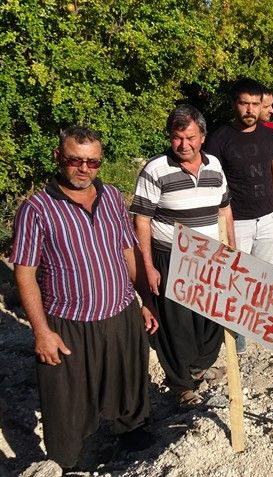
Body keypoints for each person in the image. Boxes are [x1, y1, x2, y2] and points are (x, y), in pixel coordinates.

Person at [11, 126, 158, 469]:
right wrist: (41, 332)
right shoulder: (37, 208)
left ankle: (132, 431)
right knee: (68, 400)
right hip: (68, 321)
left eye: (92, 163)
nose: (83, 169)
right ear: (58, 158)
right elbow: (25, 273)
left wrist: (146, 302)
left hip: (120, 310)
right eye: (75, 160)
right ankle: (70, 460)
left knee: (128, 380)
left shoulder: (112, 198)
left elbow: (128, 251)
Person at [131, 104, 236, 407]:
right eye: (177, 138)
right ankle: (181, 385)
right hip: (172, 256)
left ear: (202, 136)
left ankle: (199, 368)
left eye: (190, 137)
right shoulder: (156, 169)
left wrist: (233, 250)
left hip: (212, 257)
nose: (184, 145)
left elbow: (225, 208)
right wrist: (147, 266)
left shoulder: (215, 165)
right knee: (177, 326)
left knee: (211, 320)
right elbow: (141, 220)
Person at [205, 78, 273, 353]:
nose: (250, 109)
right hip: (235, 219)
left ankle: (265, 323)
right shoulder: (219, 138)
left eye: (255, 104)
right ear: (235, 104)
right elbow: (211, 182)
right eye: (245, 103)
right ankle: (236, 328)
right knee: (237, 276)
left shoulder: (270, 135)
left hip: (268, 217)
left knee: (267, 273)